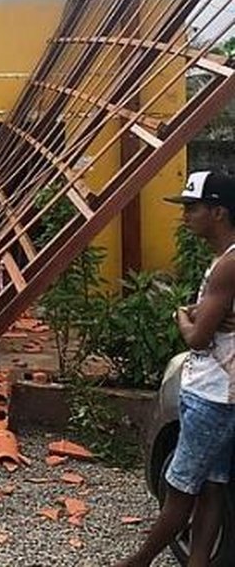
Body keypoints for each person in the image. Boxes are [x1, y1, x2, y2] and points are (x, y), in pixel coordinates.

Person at [115, 170, 235, 567]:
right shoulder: (226, 262)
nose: (185, 215)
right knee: (213, 486)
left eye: (193, 207)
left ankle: (140, 560)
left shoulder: (227, 266)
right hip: (222, 391)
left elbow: (198, 338)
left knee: (180, 486)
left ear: (219, 212)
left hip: (213, 394)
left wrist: (182, 317)